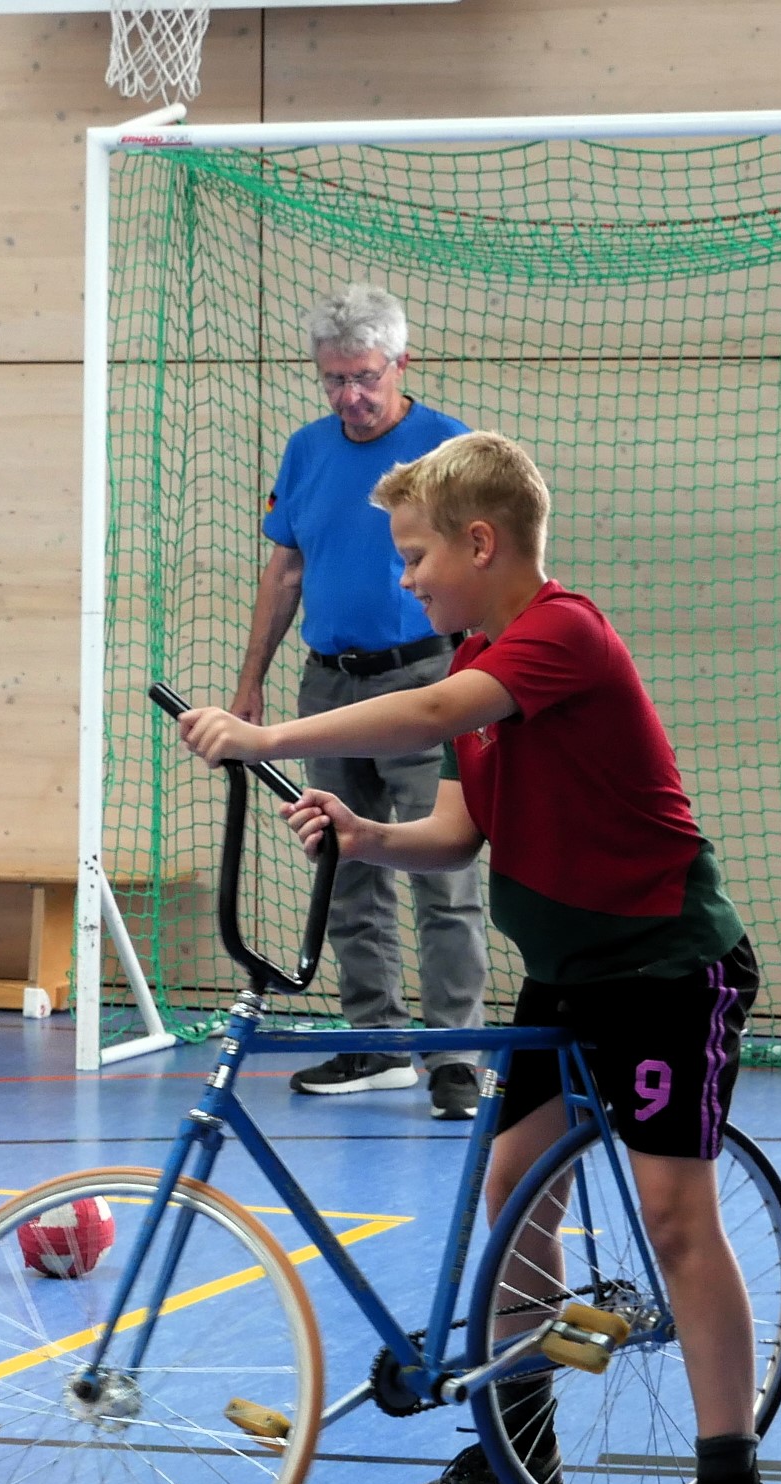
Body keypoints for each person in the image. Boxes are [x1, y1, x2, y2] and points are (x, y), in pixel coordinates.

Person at [178, 432, 779, 1484]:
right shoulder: (476, 661)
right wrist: (364, 836)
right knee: (514, 1188)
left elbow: (419, 714)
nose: (404, 579)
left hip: (663, 966)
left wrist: (265, 735)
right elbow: (455, 831)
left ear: (479, 542)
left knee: (671, 1216)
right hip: (565, 969)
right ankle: (521, 1440)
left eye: (414, 556)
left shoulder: (560, 633)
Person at [233, 283, 488, 1117]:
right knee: (341, 863)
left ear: (400, 364)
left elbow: (489, 574)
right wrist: (249, 685)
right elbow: (287, 570)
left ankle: (455, 1056)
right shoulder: (306, 451)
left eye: (364, 377)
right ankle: (375, 1041)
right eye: (333, 379)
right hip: (326, 683)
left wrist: (473, 680)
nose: (349, 395)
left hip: (426, 682)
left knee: (440, 871)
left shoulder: (449, 449)